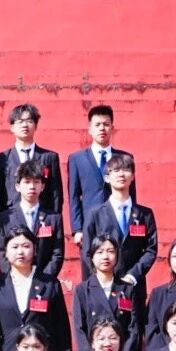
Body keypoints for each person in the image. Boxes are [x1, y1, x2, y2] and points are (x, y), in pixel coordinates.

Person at [0, 226, 71, 351]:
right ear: (5, 251)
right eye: (15, 247)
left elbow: (62, 331)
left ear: (35, 250)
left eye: (26, 246)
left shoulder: (50, 284)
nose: (20, 252)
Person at [84, 150, 155, 286]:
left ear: (132, 176)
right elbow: (87, 252)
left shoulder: (145, 214)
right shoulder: (95, 214)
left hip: (134, 284)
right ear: (107, 177)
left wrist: (133, 275)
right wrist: (99, 280)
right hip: (104, 284)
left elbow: (151, 249)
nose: (121, 174)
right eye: (116, 170)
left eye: (126, 170)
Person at [68, 104, 136, 247]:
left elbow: (131, 193)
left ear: (112, 128)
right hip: (90, 225)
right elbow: (74, 197)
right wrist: (77, 229)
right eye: (97, 124)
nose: (102, 128)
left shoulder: (124, 158)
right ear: (90, 129)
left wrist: (133, 222)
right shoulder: (77, 159)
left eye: (106, 124)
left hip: (118, 222)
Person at [72, 234, 144, 351]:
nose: (105, 256)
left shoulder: (127, 289)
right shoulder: (82, 290)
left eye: (110, 251)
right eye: (100, 252)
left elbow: (133, 328)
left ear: (117, 256)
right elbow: (79, 329)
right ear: (92, 257)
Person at [0, 159, 64, 282]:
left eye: (36, 182)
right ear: (17, 186)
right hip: (14, 282)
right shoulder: (4, 219)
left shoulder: (53, 218)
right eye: (27, 182)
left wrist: (43, 279)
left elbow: (57, 253)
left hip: (44, 281)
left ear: (42, 186)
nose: (32, 186)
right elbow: (2, 253)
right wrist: (14, 279)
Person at [0, 103, 63, 219]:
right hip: (11, 217)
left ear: (36, 126)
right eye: (20, 121)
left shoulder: (49, 157)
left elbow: (56, 195)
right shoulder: (2, 159)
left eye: (29, 121)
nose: (24, 125)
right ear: (12, 127)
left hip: (42, 217)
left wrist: (54, 219)